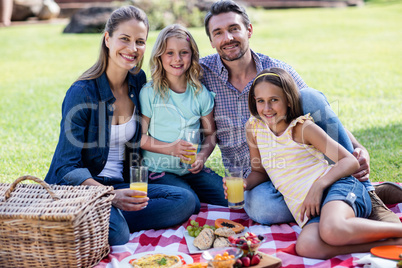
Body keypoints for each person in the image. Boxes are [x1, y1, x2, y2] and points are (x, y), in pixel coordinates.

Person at [200, 0, 401, 225]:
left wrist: (358, 148)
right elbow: (172, 71)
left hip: (298, 163)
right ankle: (345, 197)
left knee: (308, 95)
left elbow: (318, 111)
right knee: (264, 210)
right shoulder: (202, 73)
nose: (227, 38)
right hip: (255, 177)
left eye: (233, 29)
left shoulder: (276, 70)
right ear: (211, 41)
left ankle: (365, 194)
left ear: (249, 30)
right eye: (218, 33)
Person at [45, 6, 196, 246]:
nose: (133, 49)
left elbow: (141, 136)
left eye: (140, 41)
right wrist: (110, 196)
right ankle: (104, 219)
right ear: (107, 39)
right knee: (118, 234)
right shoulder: (82, 93)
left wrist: (173, 148)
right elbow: (65, 167)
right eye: (124, 39)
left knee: (186, 200)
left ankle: (99, 221)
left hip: (122, 181)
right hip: (84, 189)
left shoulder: (138, 81)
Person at [244, 67, 402, 259]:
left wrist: (318, 186)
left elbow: (349, 161)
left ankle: (395, 228)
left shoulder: (302, 128)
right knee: (307, 247)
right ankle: (391, 242)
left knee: (332, 229)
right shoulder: (253, 128)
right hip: (313, 210)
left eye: (274, 100)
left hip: (337, 187)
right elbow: (259, 172)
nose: (266, 108)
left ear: (288, 100)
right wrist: (244, 184)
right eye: (260, 101)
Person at [140, 24, 227, 214]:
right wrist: (170, 148)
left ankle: (186, 189)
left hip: (190, 170)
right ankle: (179, 193)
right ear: (159, 57)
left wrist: (202, 157)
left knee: (230, 197)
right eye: (169, 53)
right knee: (190, 204)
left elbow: (211, 135)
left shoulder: (200, 94)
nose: (177, 59)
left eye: (184, 53)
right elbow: (139, 137)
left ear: (192, 56)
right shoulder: (150, 93)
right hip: (157, 170)